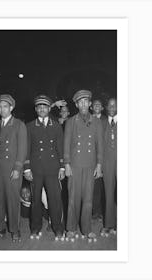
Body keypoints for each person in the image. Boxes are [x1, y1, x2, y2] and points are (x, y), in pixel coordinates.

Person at [0, 94, 27, 242]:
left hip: (12, 169)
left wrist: (17, 168)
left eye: (5, 106)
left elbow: (22, 149)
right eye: (0, 107)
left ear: (11, 108)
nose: (2, 109)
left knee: (13, 199)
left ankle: (15, 230)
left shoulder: (19, 125)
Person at [64, 89, 103, 243]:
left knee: (88, 199)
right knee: (73, 198)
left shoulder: (97, 122)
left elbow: (99, 145)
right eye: (80, 102)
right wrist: (66, 164)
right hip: (74, 165)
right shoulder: (71, 121)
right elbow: (66, 144)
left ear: (90, 103)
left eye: (86, 101)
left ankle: (87, 229)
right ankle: (71, 228)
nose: (83, 104)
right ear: (76, 104)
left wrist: (99, 164)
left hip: (90, 164)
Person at [24, 95, 65, 241]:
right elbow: (26, 148)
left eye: (45, 107)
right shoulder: (29, 126)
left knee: (55, 199)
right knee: (35, 200)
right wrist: (26, 168)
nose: (42, 109)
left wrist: (62, 167)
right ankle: (35, 227)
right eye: (39, 107)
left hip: (53, 168)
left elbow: (60, 148)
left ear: (49, 109)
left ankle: (58, 228)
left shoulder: (56, 125)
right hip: (35, 169)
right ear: (36, 109)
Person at [100, 98, 117, 237]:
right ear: (106, 107)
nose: (112, 107)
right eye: (110, 105)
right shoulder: (102, 123)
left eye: (115, 105)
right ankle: (109, 224)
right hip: (107, 163)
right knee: (109, 194)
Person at [91, 99, 106, 222]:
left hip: (102, 158)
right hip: (89, 158)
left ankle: (98, 212)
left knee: (100, 187)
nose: (97, 106)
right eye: (95, 104)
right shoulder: (87, 119)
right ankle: (91, 211)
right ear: (91, 107)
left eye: (99, 104)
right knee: (90, 186)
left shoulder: (106, 121)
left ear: (102, 108)